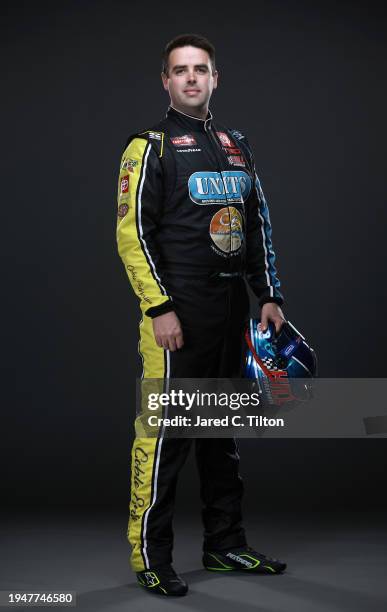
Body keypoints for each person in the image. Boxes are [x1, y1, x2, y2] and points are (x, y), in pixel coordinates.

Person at [116, 33, 287, 597]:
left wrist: (268, 296)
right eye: (180, 70)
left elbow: (256, 224)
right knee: (166, 437)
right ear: (165, 81)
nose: (191, 78)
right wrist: (159, 306)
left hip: (231, 314)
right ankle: (150, 557)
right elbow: (132, 235)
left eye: (201, 69)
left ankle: (225, 545)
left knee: (220, 435)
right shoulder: (150, 146)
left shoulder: (236, 144)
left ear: (215, 78)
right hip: (177, 317)